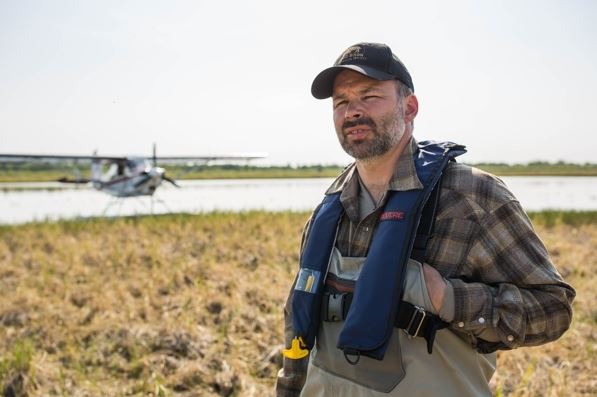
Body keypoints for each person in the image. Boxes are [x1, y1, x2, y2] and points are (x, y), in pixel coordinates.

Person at [275, 42, 575, 397]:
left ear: (410, 107)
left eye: (369, 96)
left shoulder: (473, 196)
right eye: (341, 102)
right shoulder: (329, 208)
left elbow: (553, 309)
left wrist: (448, 299)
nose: (352, 111)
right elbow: (299, 324)